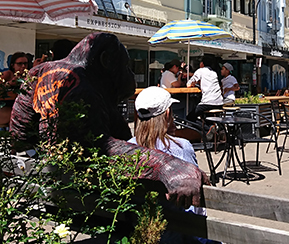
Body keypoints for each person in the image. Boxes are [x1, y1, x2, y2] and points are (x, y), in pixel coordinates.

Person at [10, 33, 208, 208]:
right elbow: (99, 147)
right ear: (105, 61)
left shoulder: (40, 72)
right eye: (125, 66)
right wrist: (166, 166)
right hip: (79, 197)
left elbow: (19, 132)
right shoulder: (83, 85)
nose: (129, 74)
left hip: (44, 182)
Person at [128, 87, 223, 244]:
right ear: (166, 114)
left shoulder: (127, 147)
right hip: (178, 236)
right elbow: (195, 202)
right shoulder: (180, 147)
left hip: (138, 232)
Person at [186, 56, 223, 121]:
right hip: (219, 102)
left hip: (208, 102)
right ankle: (208, 127)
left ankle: (203, 129)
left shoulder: (200, 71)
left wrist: (193, 84)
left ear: (202, 63)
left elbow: (189, 84)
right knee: (204, 115)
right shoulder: (214, 72)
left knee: (190, 117)